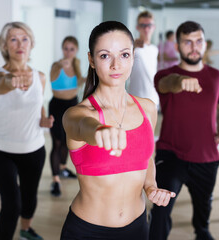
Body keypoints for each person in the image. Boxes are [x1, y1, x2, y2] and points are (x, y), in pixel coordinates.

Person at [60, 21, 175, 240]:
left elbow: (147, 157)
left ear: (133, 56)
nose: (116, 65)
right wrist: (98, 131)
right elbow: (80, 125)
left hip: (138, 228)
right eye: (105, 56)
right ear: (91, 60)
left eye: (124, 55)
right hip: (88, 232)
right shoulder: (80, 114)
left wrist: (151, 187)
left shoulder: (147, 108)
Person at [149, 21, 219, 240]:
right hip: (171, 154)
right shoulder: (165, 75)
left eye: (198, 41)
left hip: (207, 157)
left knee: (203, 211)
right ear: (177, 47)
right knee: (160, 212)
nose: (194, 47)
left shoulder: (216, 77)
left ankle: (201, 231)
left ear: (205, 44)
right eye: (187, 42)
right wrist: (181, 80)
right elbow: (166, 84)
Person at [0, 22, 54, 240]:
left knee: (29, 197)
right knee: (11, 204)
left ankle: (26, 229)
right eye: (13, 39)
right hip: (1, 151)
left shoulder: (40, 77)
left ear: (31, 43)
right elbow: (1, 84)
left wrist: (43, 119)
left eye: (24, 38)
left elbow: (38, 102)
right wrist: (12, 80)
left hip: (34, 149)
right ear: (5, 46)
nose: (20, 44)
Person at [49, 36, 85, 197]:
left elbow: (79, 82)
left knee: (67, 141)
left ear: (76, 50)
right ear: (62, 49)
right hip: (57, 106)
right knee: (56, 142)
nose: (68, 52)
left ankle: (63, 168)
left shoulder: (77, 64)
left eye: (71, 49)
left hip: (72, 105)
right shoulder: (56, 65)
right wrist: (59, 66)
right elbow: (51, 78)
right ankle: (55, 179)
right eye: (66, 48)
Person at [127, 11, 159, 107]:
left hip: (153, 98)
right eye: (142, 25)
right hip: (135, 98)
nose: (146, 28)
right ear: (137, 27)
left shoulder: (155, 49)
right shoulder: (131, 46)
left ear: (154, 27)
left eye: (149, 25)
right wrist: (132, 48)